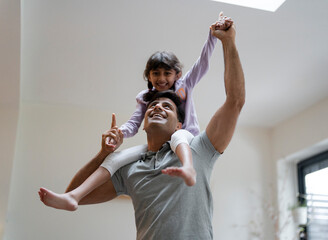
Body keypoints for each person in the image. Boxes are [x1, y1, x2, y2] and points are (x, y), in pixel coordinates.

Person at [39, 16, 245, 239]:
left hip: (187, 145)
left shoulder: (200, 148)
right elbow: (74, 193)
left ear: (178, 123)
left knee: (182, 140)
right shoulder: (131, 168)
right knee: (114, 158)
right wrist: (104, 152)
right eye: (153, 105)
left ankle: (188, 168)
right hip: (139, 158)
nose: (157, 107)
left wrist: (227, 42)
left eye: (167, 106)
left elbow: (234, 100)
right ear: (144, 122)